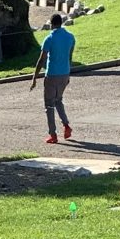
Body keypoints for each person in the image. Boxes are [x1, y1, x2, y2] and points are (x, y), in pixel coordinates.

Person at [30, 13, 78, 144]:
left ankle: (53, 134)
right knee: (58, 100)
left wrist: (34, 77)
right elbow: (70, 56)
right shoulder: (70, 37)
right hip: (64, 73)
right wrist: (68, 73)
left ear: (51, 24)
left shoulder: (49, 38)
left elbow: (41, 59)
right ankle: (66, 125)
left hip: (52, 75)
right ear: (61, 23)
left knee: (49, 105)